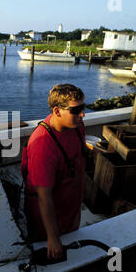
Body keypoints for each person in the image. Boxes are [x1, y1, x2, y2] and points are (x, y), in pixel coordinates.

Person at [21, 84, 86, 260]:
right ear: (57, 111)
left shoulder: (77, 126)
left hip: (71, 210)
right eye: (76, 110)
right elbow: (44, 197)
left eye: (83, 108)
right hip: (48, 219)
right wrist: (52, 237)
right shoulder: (42, 145)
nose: (82, 114)